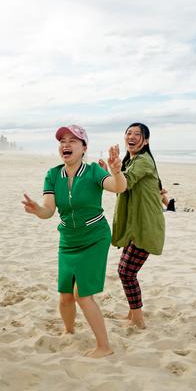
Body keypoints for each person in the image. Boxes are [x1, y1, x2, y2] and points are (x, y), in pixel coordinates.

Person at [22, 125, 126, 358]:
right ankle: (69, 332)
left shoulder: (93, 172)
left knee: (82, 294)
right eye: (62, 141)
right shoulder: (52, 174)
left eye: (73, 141)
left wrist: (117, 171)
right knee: (65, 294)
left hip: (95, 237)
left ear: (84, 148)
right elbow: (49, 210)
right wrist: (37, 209)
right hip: (68, 239)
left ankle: (104, 347)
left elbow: (118, 187)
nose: (66, 145)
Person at [110, 123, 165, 329]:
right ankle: (132, 314)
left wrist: (113, 168)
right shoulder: (131, 160)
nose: (131, 137)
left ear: (146, 141)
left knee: (126, 272)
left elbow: (127, 181)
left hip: (146, 225)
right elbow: (120, 184)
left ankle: (138, 319)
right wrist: (108, 169)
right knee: (125, 270)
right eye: (129, 133)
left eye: (137, 134)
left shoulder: (143, 160)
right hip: (134, 224)